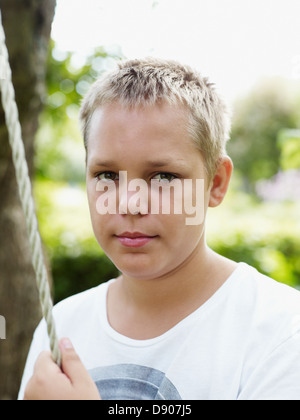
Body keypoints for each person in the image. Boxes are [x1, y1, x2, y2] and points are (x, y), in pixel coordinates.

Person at [19, 58, 300, 400]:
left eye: (163, 177)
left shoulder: (280, 332)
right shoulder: (60, 328)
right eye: (106, 175)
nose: (129, 203)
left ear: (216, 182)